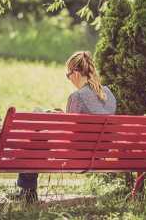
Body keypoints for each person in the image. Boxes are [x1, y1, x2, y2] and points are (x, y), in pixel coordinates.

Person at [15, 51, 117, 203]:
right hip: (100, 154)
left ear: (75, 73)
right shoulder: (108, 94)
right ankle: (27, 191)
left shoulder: (77, 97)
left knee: (38, 136)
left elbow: (68, 132)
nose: (69, 79)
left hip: (77, 156)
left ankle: (28, 191)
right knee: (40, 132)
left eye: (68, 75)